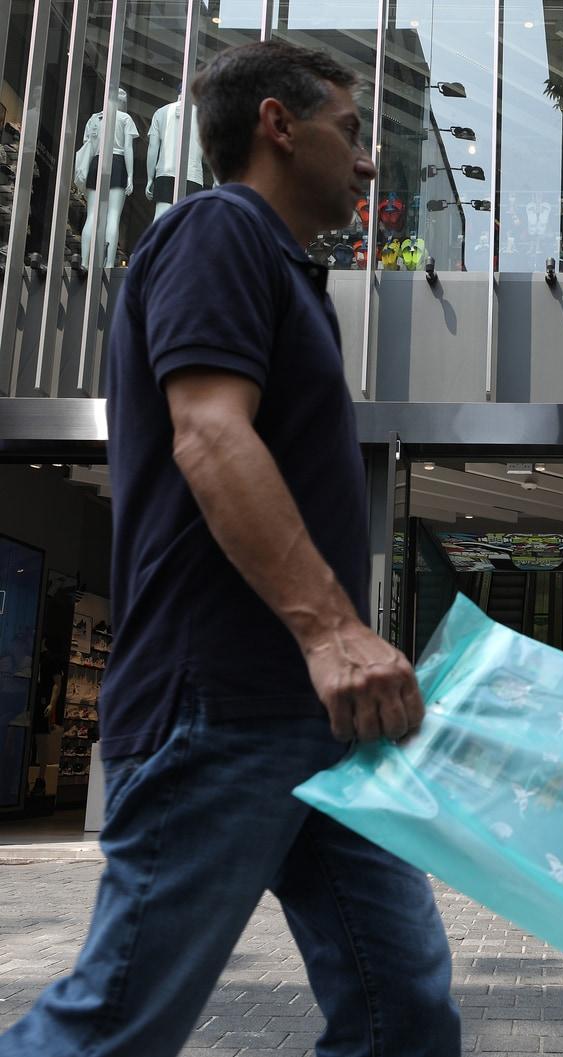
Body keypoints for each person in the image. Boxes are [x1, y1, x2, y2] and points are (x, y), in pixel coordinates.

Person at [0, 41, 460, 1057]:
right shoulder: (218, 230)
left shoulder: (281, 269)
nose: (370, 159)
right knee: (116, 1024)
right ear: (276, 124)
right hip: (221, 705)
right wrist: (332, 630)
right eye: (350, 128)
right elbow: (209, 432)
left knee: (407, 1013)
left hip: (314, 720)